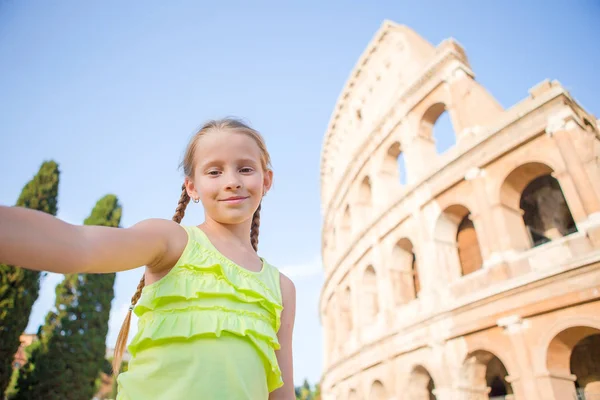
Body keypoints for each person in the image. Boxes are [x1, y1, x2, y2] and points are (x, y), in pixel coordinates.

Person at [0, 118, 296, 400]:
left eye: (245, 169)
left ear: (266, 180)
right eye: (214, 172)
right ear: (191, 187)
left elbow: (281, 393)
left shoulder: (282, 288)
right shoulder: (170, 240)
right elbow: (79, 245)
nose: (231, 181)